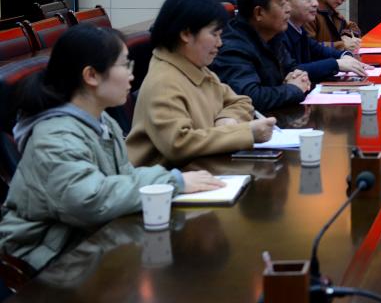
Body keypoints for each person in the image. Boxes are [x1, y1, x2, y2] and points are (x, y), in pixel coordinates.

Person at [0, 26, 223, 274]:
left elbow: (123, 178)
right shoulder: (55, 137)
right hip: (45, 259)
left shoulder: (102, 120)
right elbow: (90, 200)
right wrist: (173, 182)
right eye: (125, 65)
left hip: (86, 240)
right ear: (91, 75)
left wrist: (174, 180)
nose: (131, 75)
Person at [126, 0, 278, 167]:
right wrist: (245, 133)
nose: (220, 43)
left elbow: (241, 102)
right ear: (186, 34)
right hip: (171, 179)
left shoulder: (197, 68)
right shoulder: (164, 82)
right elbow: (179, 144)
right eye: (214, 34)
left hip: (203, 169)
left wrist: (226, 119)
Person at [210, 0, 311, 112]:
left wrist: (300, 78)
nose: (289, 9)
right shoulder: (233, 47)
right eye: (282, 3)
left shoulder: (273, 35)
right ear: (259, 13)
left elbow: (293, 69)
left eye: (288, 0)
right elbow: (250, 97)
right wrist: (293, 89)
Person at [280, 0, 371, 83]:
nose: (315, 3)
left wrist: (344, 55)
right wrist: (336, 64)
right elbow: (291, 71)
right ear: (286, 2)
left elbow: (319, 50)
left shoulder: (299, 29)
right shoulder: (278, 34)